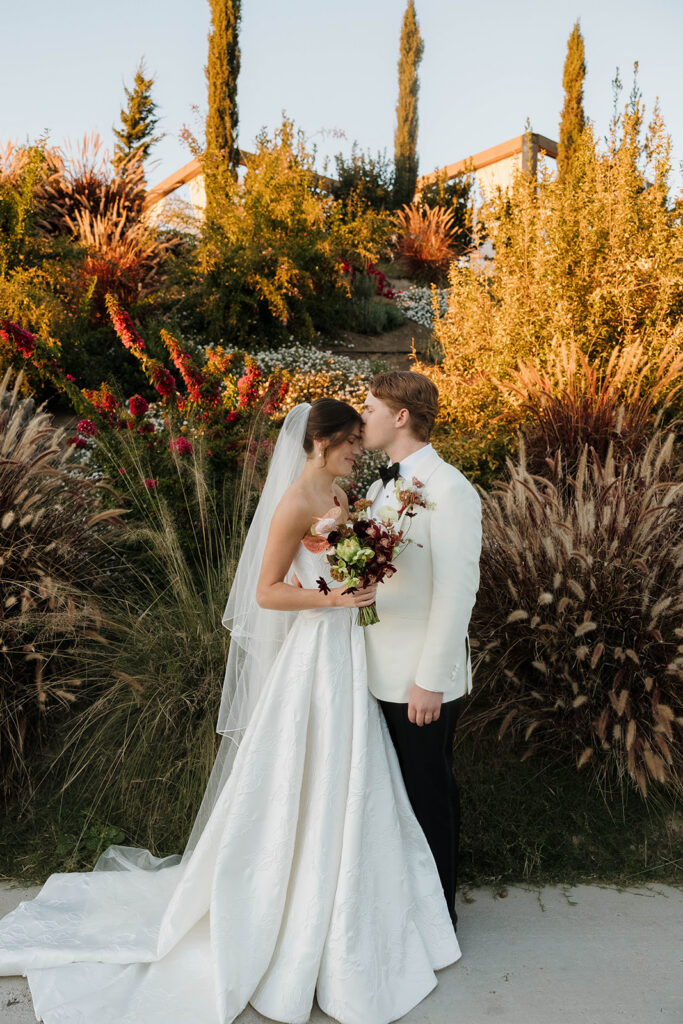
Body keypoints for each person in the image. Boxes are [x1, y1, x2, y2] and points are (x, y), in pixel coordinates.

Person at [0, 398, 460, 1024]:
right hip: (316, 652)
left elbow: (344, 560)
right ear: (320, 442)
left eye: (360, 439)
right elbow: (267, 592)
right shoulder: (295, 501)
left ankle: (352, 903)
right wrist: (334, 599)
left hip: (349, 653)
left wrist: (362, 577)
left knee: (354, 776)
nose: (359, 450)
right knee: (308, 769)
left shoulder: (340, 496)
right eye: (351, 440)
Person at [360, 372, 482, 933]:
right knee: (395, 795)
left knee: (428, 791)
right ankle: (406, 905)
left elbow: (458, 591)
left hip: (419, 677)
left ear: (400, 416)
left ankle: (439, 919)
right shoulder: (381, 485)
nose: (363, 417)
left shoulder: (450, 488)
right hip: (376, 667)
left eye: (370, 408)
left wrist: (430, 679)